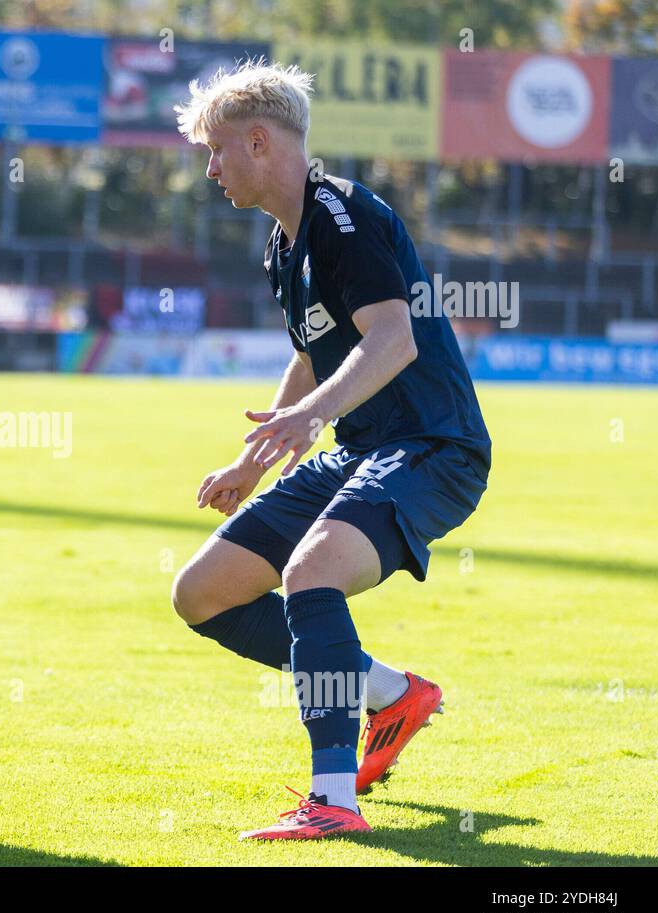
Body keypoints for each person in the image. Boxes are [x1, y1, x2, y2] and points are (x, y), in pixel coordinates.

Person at [171, 62, 491, 839]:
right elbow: (315, 354)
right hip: (361, 449)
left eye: (216, 150)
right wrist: (253, 460)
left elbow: (393, 339)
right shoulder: (285, 244)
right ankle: (388, 692)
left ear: (257, 140)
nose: (210, 169)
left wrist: (309, 418)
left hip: (431, 447)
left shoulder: (346, 215)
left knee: (311, 574)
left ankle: (334, 801)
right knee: (203, 592)